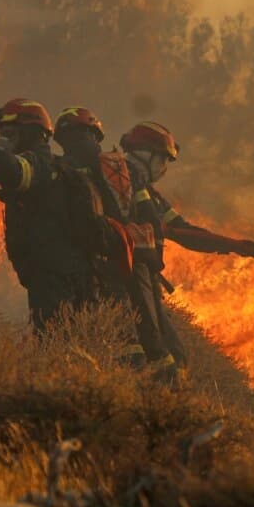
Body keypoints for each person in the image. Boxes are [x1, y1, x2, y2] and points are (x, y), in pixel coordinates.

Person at [119, 121, 254, 371]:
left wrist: (236, 246)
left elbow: (186, 231)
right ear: (145, 154)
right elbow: (172, 231)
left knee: (175, 356)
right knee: (158, 362)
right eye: (162, 161)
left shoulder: (149, 195)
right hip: (128, 284)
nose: (163, 169)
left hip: (145, 282)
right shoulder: (127, 186)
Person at [0, 99, 99, 332]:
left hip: (55, 275)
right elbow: (7, 170)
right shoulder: (50, 166)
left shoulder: (39, 165)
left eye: (10, 134)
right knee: (72, 342)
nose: (5, 141)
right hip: (62, 271)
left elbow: (13, 169)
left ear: (32, 133)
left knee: (53, 342)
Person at [52, 107, 174, 373]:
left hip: (95, 266)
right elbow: (155, 221)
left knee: (120, 337)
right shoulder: (121, 168)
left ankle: (132, 386)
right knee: (152, 340)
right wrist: (154, 260)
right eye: (163, 160)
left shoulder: (60, 169)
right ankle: (163, 392)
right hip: (134, 264)